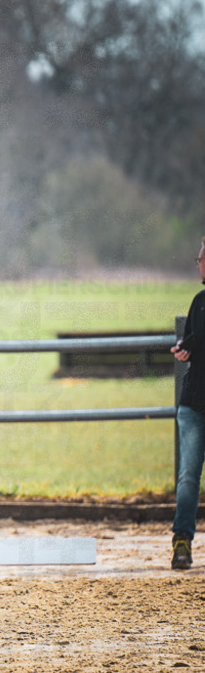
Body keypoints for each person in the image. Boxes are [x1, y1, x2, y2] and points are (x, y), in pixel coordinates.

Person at [170, 236, 205, 570]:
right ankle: (182, 540)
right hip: (195, 402)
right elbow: (196, 337)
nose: (198, 265)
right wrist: (186, 347)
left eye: (201, 259)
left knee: (189, 475)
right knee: (188, 476)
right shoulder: (200, 302)